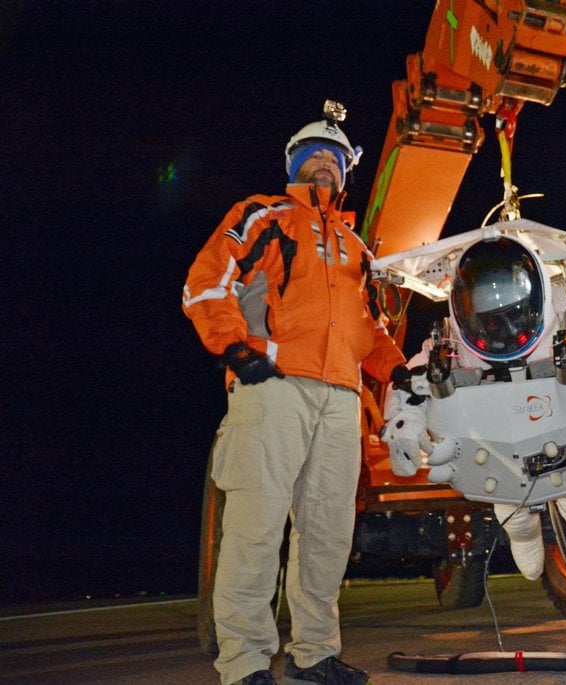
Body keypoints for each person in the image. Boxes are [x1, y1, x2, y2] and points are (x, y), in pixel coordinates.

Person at [182, 110, 406, 685]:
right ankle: (245, 662)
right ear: (294, 163)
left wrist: (399, 373)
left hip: (340, 399)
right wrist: (234, 348)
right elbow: (208, 279)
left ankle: (314, 654)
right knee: (256, 527)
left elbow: (368, 328)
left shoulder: (357, 247)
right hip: (273, 388)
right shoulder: (262, 213)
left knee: (328, 533)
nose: (325, 162)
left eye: (335, 156)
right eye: (313, 153)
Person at [380, 233, 566, 579]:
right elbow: (410, 383)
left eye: (512, 315)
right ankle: (524, 534)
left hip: (563, 447)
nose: (505, 329)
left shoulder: (565, 323)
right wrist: (404, 432)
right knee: (513, 510)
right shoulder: (449, 342)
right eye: (492, 320)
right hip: (498, 457)